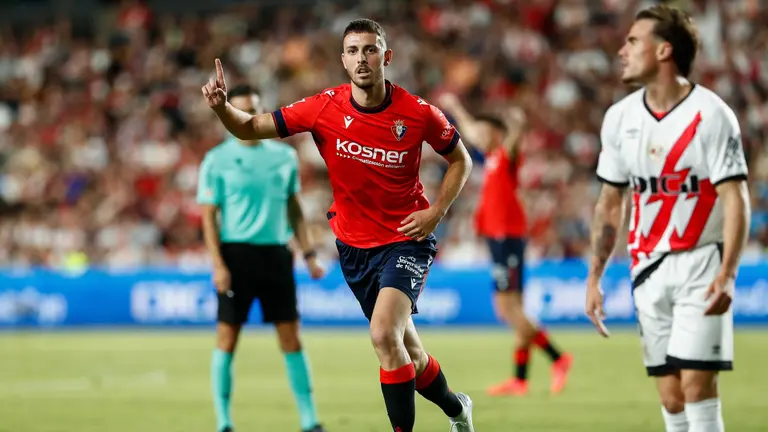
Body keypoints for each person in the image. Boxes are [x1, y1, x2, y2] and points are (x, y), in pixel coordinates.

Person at [201, 19, 475, 432]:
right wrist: (223, 107)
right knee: (410, 355)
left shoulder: (418, 113)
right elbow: (249, 126)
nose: (362, 59)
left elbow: (461, 159)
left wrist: (436, 211)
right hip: (354, 248)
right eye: (353, 51)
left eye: (369, 49)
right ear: (343, 60)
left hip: (406, 239)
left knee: (384, 335)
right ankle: (458, 410)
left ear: (387, 56)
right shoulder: (324, 107)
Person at [585, 5, 750, 432]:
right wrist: (594, 276)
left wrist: (729, 272)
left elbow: (736, 198)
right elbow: (610, 203)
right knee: (671, 397)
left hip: (702, 263)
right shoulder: (619, 119)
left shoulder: (712, 115)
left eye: (633, 41)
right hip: (646, 267)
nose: (622, 50)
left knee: (698, 387)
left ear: (663, 51)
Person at [197, 84, 327, 432]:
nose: (245, 115)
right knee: (227, 338)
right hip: (236, 255)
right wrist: (218, 264)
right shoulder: (216, 159)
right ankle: (224, 422)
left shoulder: (283, 157)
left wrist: (309, 253)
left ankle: (309, 420)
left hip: (276, 255)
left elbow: (294, 208)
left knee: (291, 337)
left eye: (251, 109)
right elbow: (209, 217)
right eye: (238, 109)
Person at [438, 95, 573, 397]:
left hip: (507, 239)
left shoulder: (505, 154)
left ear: (496, 134)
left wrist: (516, 123)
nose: (478, 137)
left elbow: (513, 139)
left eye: (485, 133)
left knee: (506, 309)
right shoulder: (492, 159)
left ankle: (558, 357)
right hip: (503, 239)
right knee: (515, 309)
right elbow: (472, 129)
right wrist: (457, 107)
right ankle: (520, 380)